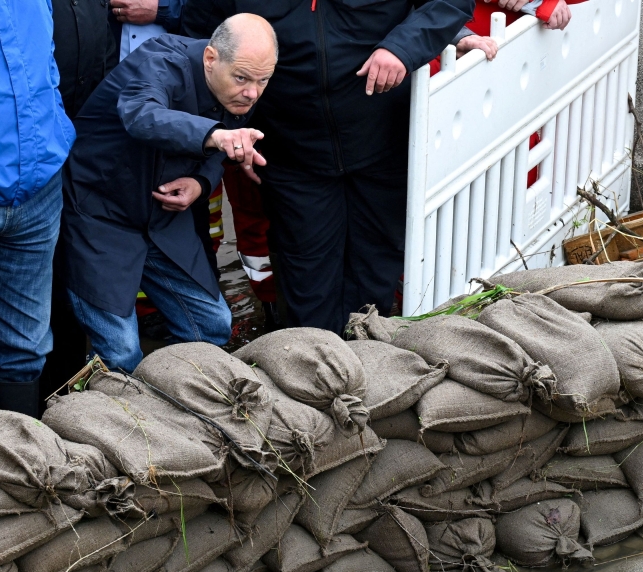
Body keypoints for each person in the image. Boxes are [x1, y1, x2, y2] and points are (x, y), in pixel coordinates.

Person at [183, 0, 474, 335]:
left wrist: (401, 49)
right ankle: (316, 370)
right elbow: (202, 42)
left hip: (382, 142)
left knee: (374, 272)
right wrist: (235, 129)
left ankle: (372, 361)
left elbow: (451, 3)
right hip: (290, 151)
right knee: (306, 277)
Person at [61, 14, 277, 372]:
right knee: (122, 352)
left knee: (213, 325)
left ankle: (178, 402)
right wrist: (216, 136)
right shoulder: (160, 60)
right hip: (99, 213)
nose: (252, 93)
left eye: (262, 80)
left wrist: (201, 182)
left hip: (162, 215)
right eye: (242, 78)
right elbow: (141, 114)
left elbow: (222, 144)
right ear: (210, 59)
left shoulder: (241, 85)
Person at [0, 0, 76, 416]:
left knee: (25, 348)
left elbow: (42, 56)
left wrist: (52, 130)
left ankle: (16, 469)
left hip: (37, 190)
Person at [43, 0, 121, 405]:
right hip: (29, 152)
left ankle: (67, 396)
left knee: (72, 269)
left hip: (82, 148)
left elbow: (105, 54)